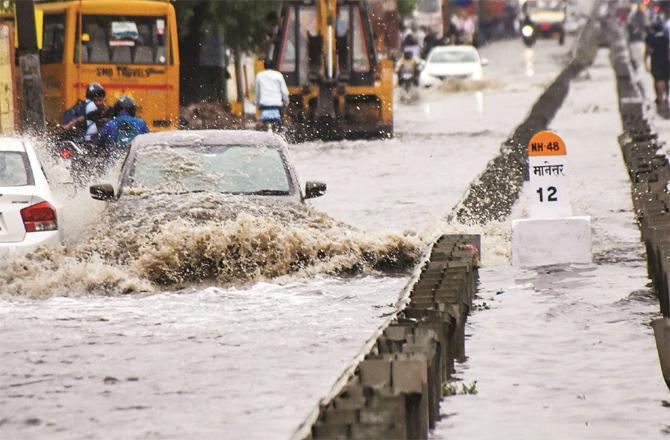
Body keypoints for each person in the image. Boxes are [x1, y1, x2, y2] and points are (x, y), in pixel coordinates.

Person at [255, 58, 289, 130]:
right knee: (281, 123)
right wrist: (286, 103)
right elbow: (284, 92)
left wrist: (258, 104)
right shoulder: (278, 75)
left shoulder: (259, 75)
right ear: (273, 66)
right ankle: (281, 132)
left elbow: (257, 93)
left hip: (264, 105)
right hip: (277, 105)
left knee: (261, 124)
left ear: (264, 66)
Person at [645, 20, 670, 106]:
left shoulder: (652, 39)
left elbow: (649, 51)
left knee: (659, 79)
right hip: (666, 61)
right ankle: (666, 96)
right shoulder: (666, 38)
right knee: (666, 79)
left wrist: (646, 62)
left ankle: (660, 96)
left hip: (656, 61)